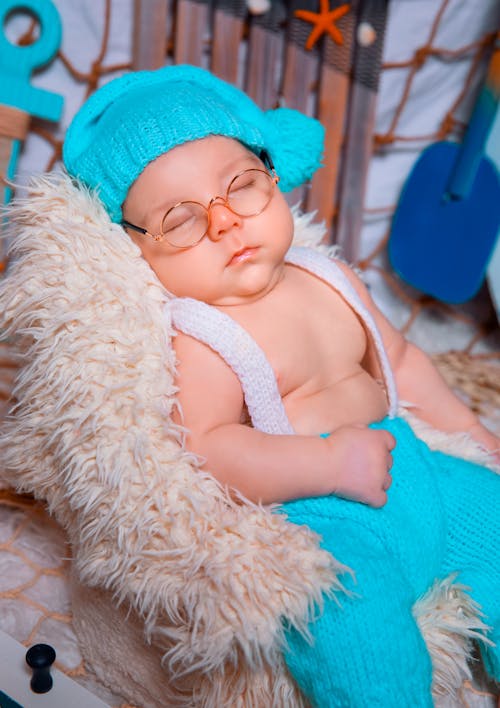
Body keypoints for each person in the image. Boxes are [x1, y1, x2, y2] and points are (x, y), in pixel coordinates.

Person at [63, 64, 500, 707]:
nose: (224, 223)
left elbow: (401, 361)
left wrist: (472, 434)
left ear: (274, 176)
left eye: (239, 186)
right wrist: (325, 463)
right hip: (325, 517)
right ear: (136, 254)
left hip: (417, 467)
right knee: (349, 620)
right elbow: (207, 448)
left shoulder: (329, 277)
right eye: (179, 220)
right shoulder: (201, 333)